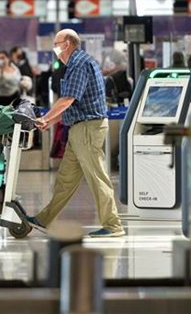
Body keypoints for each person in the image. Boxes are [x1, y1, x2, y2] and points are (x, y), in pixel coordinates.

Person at [27, 29, 125, 238]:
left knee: (97, 177)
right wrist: (49, 121)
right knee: (65, 180)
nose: (54, 47)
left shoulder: (79, 64)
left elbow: (68, 99)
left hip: (88, 129)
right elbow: (72, 106)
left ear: (68, 44)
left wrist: (46, 118)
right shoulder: (75, 64)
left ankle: (113, 224)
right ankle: (44, 219)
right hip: (79, 129)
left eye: (57, 43)